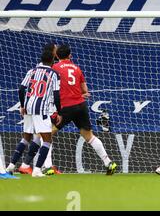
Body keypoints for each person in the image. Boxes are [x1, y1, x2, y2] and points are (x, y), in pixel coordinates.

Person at [52, 44, 117, 175]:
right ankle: (108, 162)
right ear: (70, 55)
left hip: (65, 107)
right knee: (90, 136)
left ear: (57, 55)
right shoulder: (77, 68)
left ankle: (46, 166)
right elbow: (85, 91)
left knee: (47, 134)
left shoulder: (54, 68)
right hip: (80, 105)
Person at [13, 46, 61, 177]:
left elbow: (21, 89)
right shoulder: (53, 73)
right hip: (42, 109)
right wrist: (59, 111)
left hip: (29, 107)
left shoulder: (33, 70)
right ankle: (39, 169)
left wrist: (23, 105)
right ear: (52, 58)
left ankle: (17, 166)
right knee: (46, 139)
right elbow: (56, 94)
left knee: (31, 137)